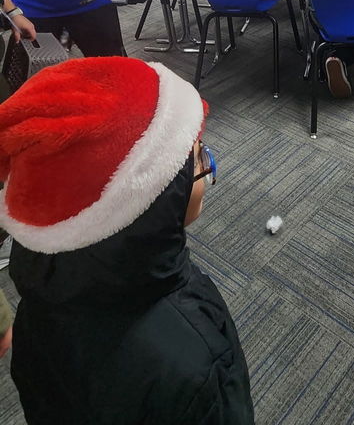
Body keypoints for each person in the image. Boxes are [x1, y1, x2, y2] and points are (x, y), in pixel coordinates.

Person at [0, 57, 253, 425]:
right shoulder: (193, 358)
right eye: (197, 157)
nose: (207, 168)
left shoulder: (40, 300)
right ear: (155, 197)